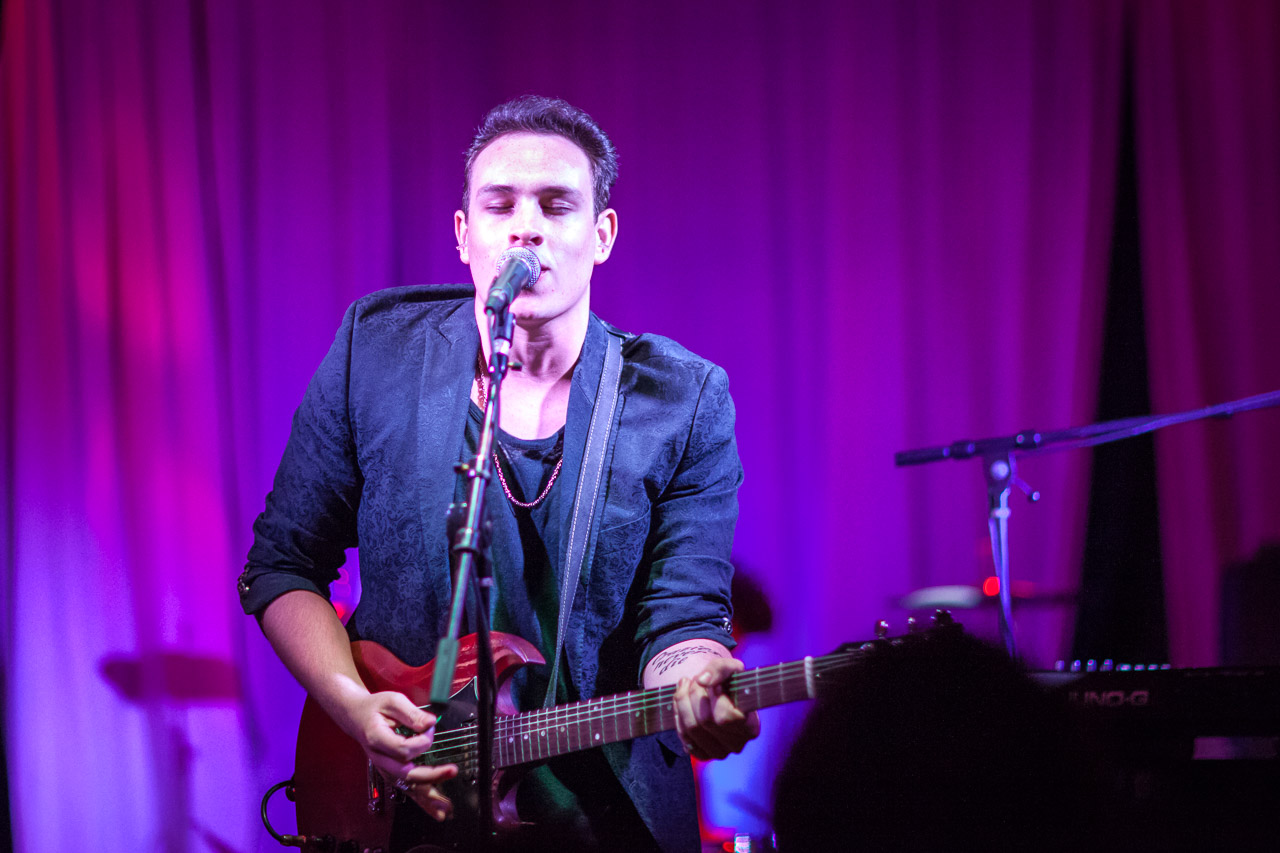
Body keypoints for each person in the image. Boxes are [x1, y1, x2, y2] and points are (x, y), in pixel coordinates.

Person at [239, 95, 758, 851]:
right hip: (402, 815)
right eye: (500, 204)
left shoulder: (681, 399)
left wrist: (698, 680)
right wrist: (352, 706)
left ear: (602, 236)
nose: (526, 227)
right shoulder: (376, 353)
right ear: (463, 234)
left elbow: (682, 617)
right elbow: (283, 566)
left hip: (602, 819)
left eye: (557, 205)